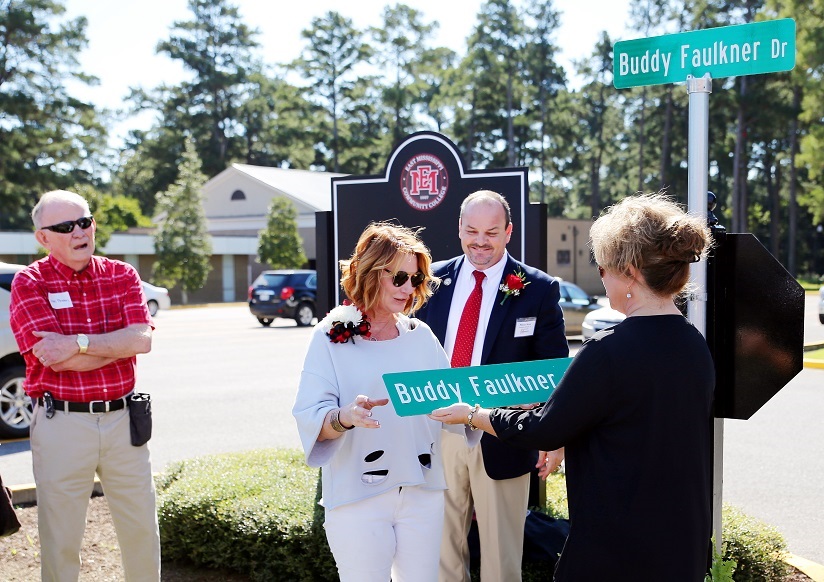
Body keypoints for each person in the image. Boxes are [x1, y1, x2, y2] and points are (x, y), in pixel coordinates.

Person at [430, 192, 715, 581]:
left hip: (618, 541)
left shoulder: (607, 350)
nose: (602, 279)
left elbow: (547, 426)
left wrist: (475, 414)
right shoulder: (694, 345)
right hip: (678, 538)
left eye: (602, 269)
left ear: (629, 272)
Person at [292, 222, 480, 582]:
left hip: (422, 491)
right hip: (356, 497)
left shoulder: (420, 336)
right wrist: (344, 417)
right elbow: (311, 417)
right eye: (399, 278)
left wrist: (483, 408)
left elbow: (453, 404)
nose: (409, 288)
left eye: (416, 279)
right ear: (371, 272)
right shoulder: (330, 337)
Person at [415, 189, 569, 582]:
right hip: (437, 432)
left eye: (491, 232)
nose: (480, 241)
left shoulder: (537, 288)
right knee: (440, 557)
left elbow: (553, 373)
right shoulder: (431, 281)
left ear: (508, 232)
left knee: (501, 562)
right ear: (459, 229)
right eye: (471, 231)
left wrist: (555, 438)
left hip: (502, 435)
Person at [9, 190, 160, 581]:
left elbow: (142, 340)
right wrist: (117, 344)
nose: (78, 232)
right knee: (61, 538)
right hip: (62, 422)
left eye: (84, 222)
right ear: (43, 238)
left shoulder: (122, 274)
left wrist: (76, 343)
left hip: (124, 420)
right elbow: (55, 357)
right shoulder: (29, 282)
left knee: (142, 529)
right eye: (64, 226)